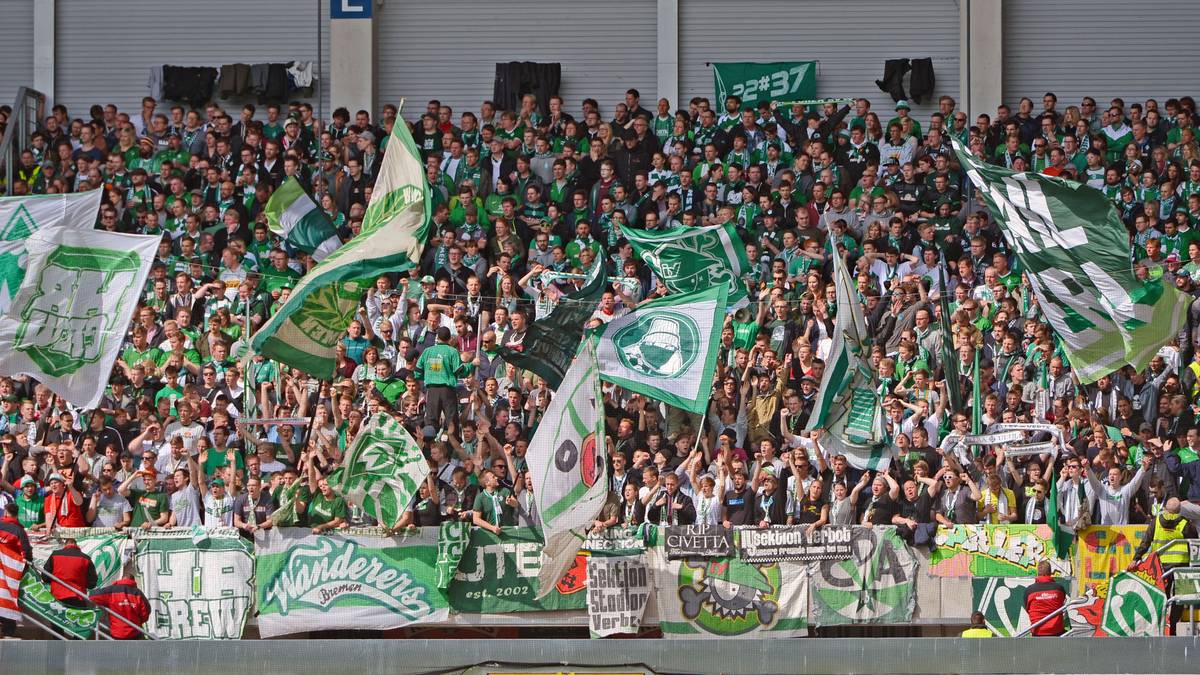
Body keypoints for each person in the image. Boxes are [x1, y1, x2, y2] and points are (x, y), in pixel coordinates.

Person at [1128, 497, 1198, 634]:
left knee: (1162, 597)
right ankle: (1172, 629)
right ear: (1179, 511)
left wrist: (1136, 559)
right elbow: (1194, 547)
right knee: (1179, 598)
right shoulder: (1185, 524)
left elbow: (1145, 542)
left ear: (1165, 508)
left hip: (1161, 567)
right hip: (1181, 568)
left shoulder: (1156, 522)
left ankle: (1161, 628)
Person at [0, 503, 32, 638]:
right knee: (9, 601)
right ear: (17, 514)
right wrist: (24, 570)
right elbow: (27, 553)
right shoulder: (19, 531)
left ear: (6, 513)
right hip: (10, 575)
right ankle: (8, 632)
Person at [89, 570, 151, 640]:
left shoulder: (111, 590)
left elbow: (92, 596)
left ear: (121, 579)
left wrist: (106, 603)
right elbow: (146, 613)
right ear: (133, 581)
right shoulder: (138, 593)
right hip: (135, 631)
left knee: (118, 650)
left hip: (117, 633)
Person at [43, 538, 98, 608]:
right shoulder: (86, 558)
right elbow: (92, 584)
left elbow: (45, 577)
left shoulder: (55, 555)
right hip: (78, 597)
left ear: (65, 545)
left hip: (57, 597)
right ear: (76, 545)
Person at [1023, 560, 1066, 636]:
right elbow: (1062, 604)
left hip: (1037, 631)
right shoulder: (1059, 589)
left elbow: (1028, 609)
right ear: (1050, 573)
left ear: (1038, 573)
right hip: (1057, 631)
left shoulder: (1029, 591)